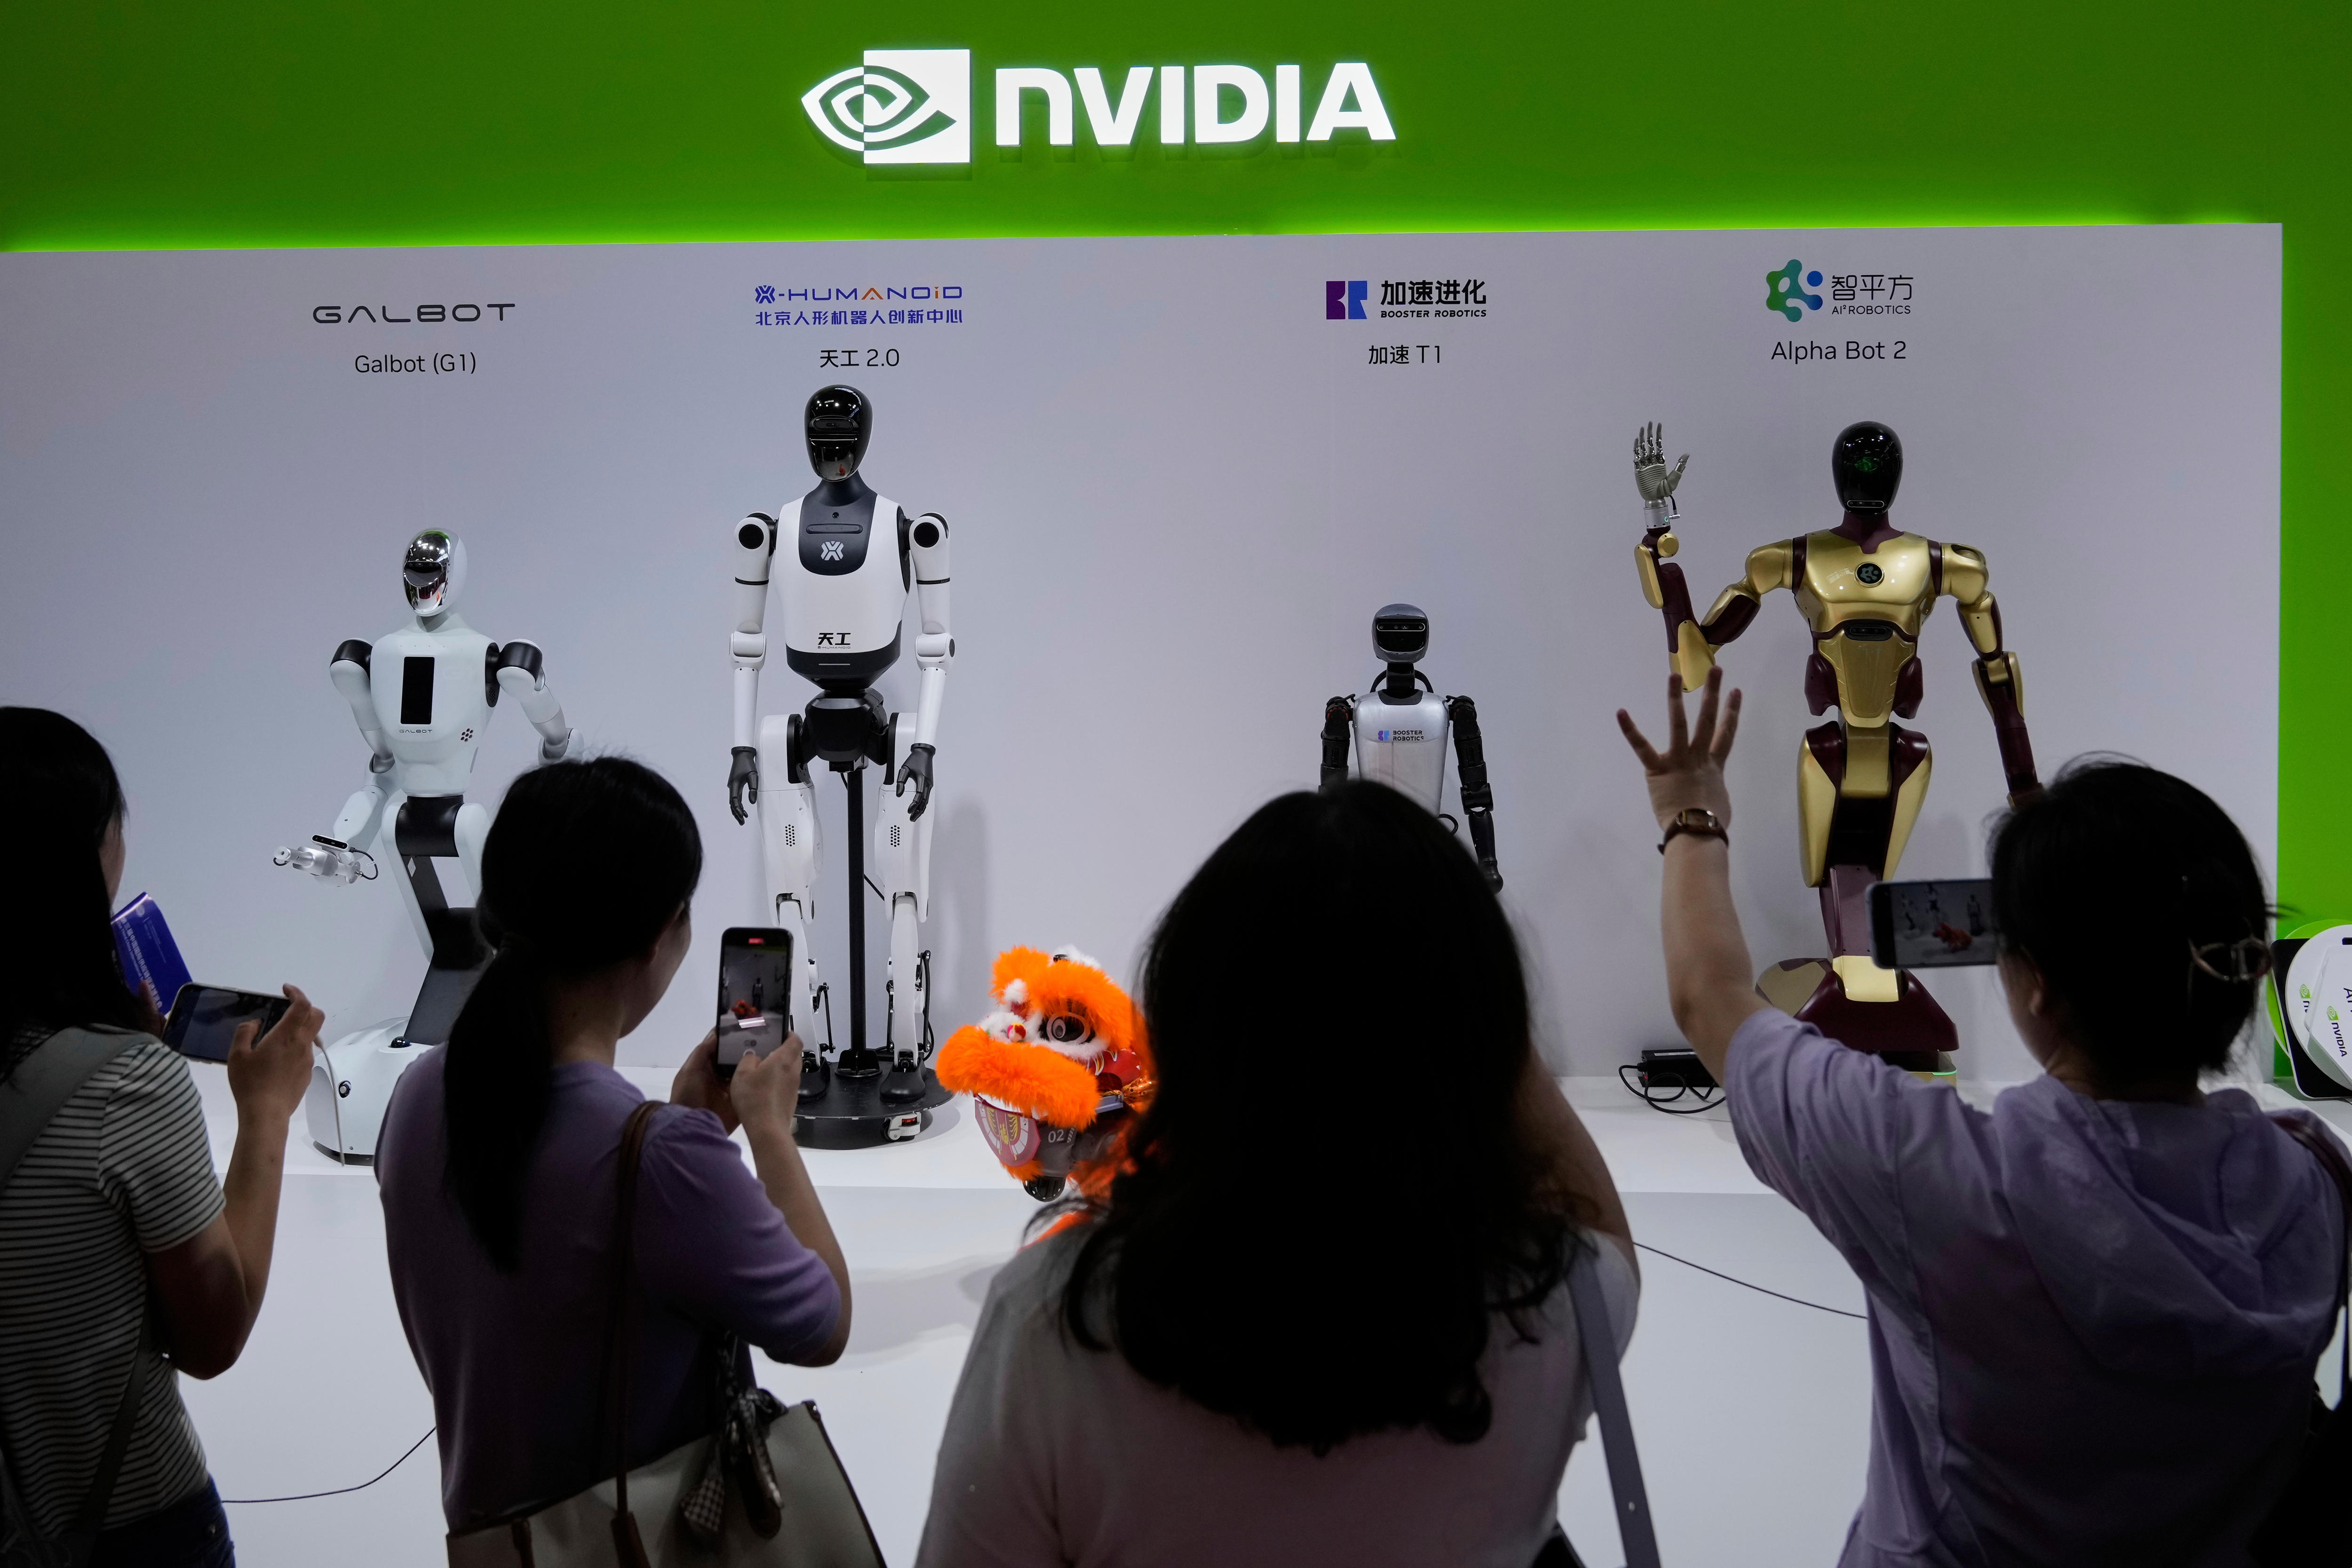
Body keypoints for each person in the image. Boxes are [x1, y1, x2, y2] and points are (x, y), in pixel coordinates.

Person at [1617, 669, 2346, 1567]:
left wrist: (1691, 814)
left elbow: (1711, 998)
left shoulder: (1925, 1171)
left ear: (2034, 979)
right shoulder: (2314, 1188)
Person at [918, 780, 1637, 1568]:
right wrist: (1454, 996)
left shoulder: (1050, 1324)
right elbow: (1600, 1235)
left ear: (1190, 1027)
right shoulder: (1562, 1304)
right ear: (1486, 1041)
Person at [375, 755, 851, 1532]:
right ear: (661, 935)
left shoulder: (418, 1097)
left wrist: (678, 1125)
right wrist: (767, 1128)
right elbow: (824, 1321)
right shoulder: (663, 1159)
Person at [0, 708, 322, 1568]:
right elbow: (212, 1336)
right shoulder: (127, 1082)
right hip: (127, 1527)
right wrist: (265, 1115)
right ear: (84, 861)